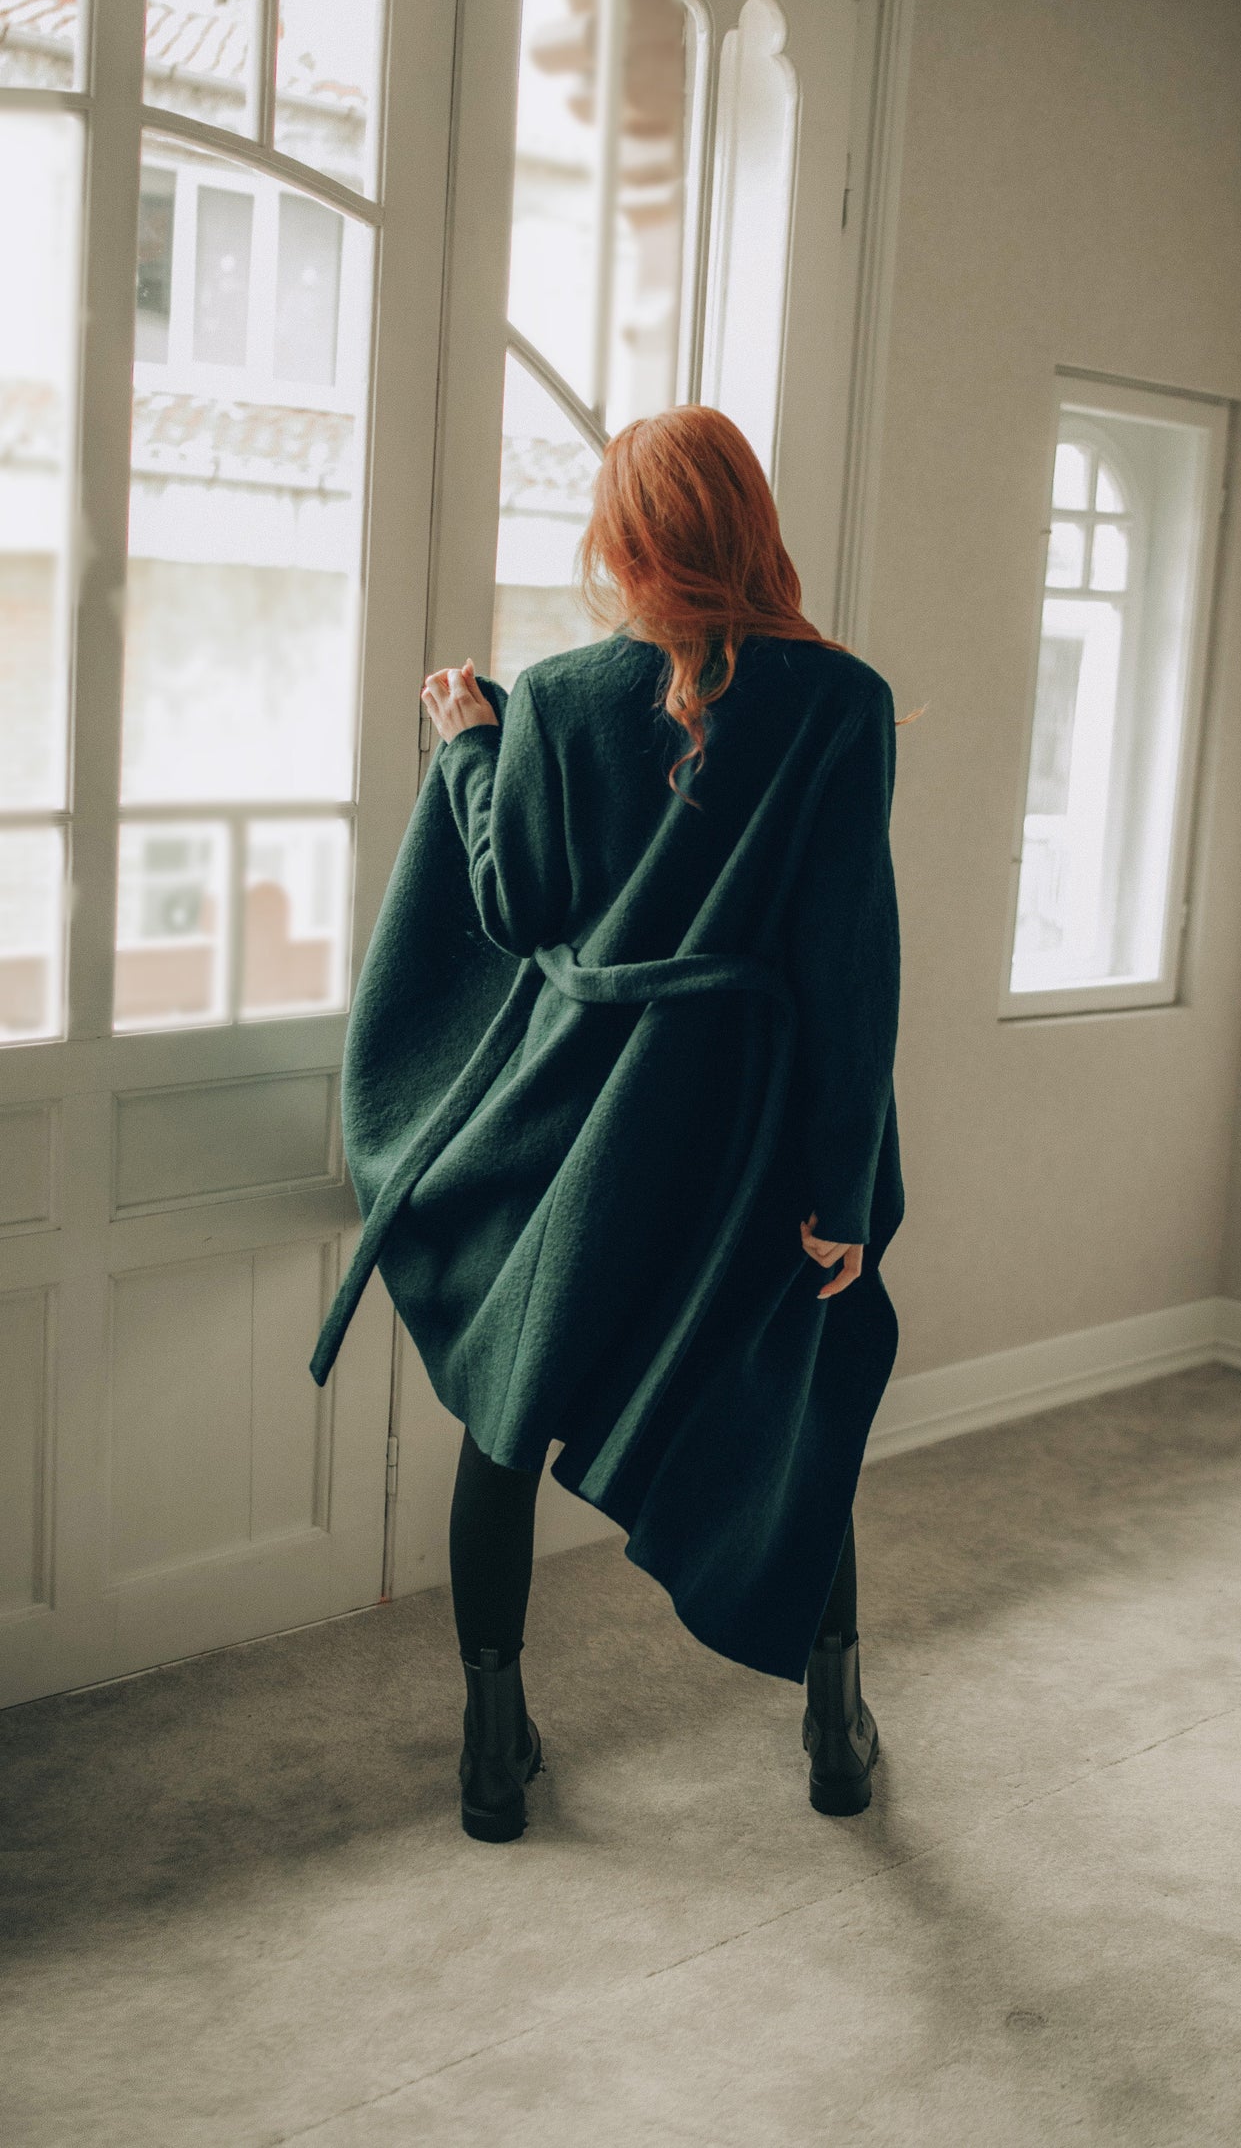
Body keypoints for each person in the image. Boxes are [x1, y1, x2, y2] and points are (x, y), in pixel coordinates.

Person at [309, 405, 913, 1843]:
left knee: (508, 1418)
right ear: (752, 528)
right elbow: (848, 960)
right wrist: (845, 1181)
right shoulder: (842, 703)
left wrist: (468, 743)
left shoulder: (563, 697)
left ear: (622, 543)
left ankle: (492, 1748)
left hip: (581, 1139)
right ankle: (831, 1728)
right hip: (753, 1138)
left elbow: (513, 910)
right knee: (791, 1408)